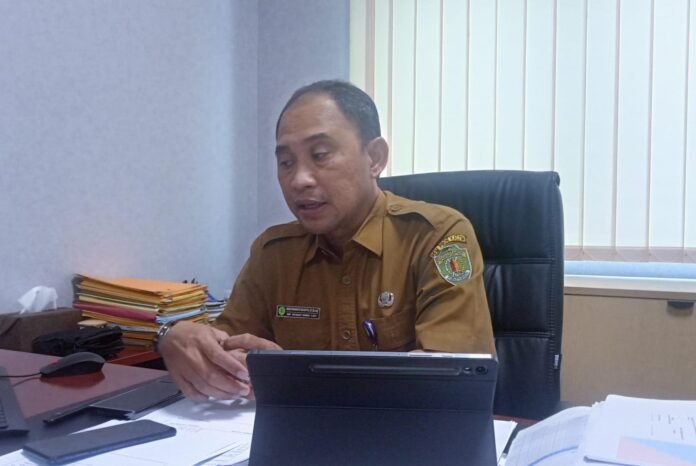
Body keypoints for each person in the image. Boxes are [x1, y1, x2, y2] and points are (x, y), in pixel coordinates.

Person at [158, 80, 495, 401]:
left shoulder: (436, 237)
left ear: (375, 158)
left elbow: (451, 379)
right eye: (286, 163)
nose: (299, 180)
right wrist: (177, 339)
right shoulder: (274, 254)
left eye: (320, 155)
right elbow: (225, 348)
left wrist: (298, 380)